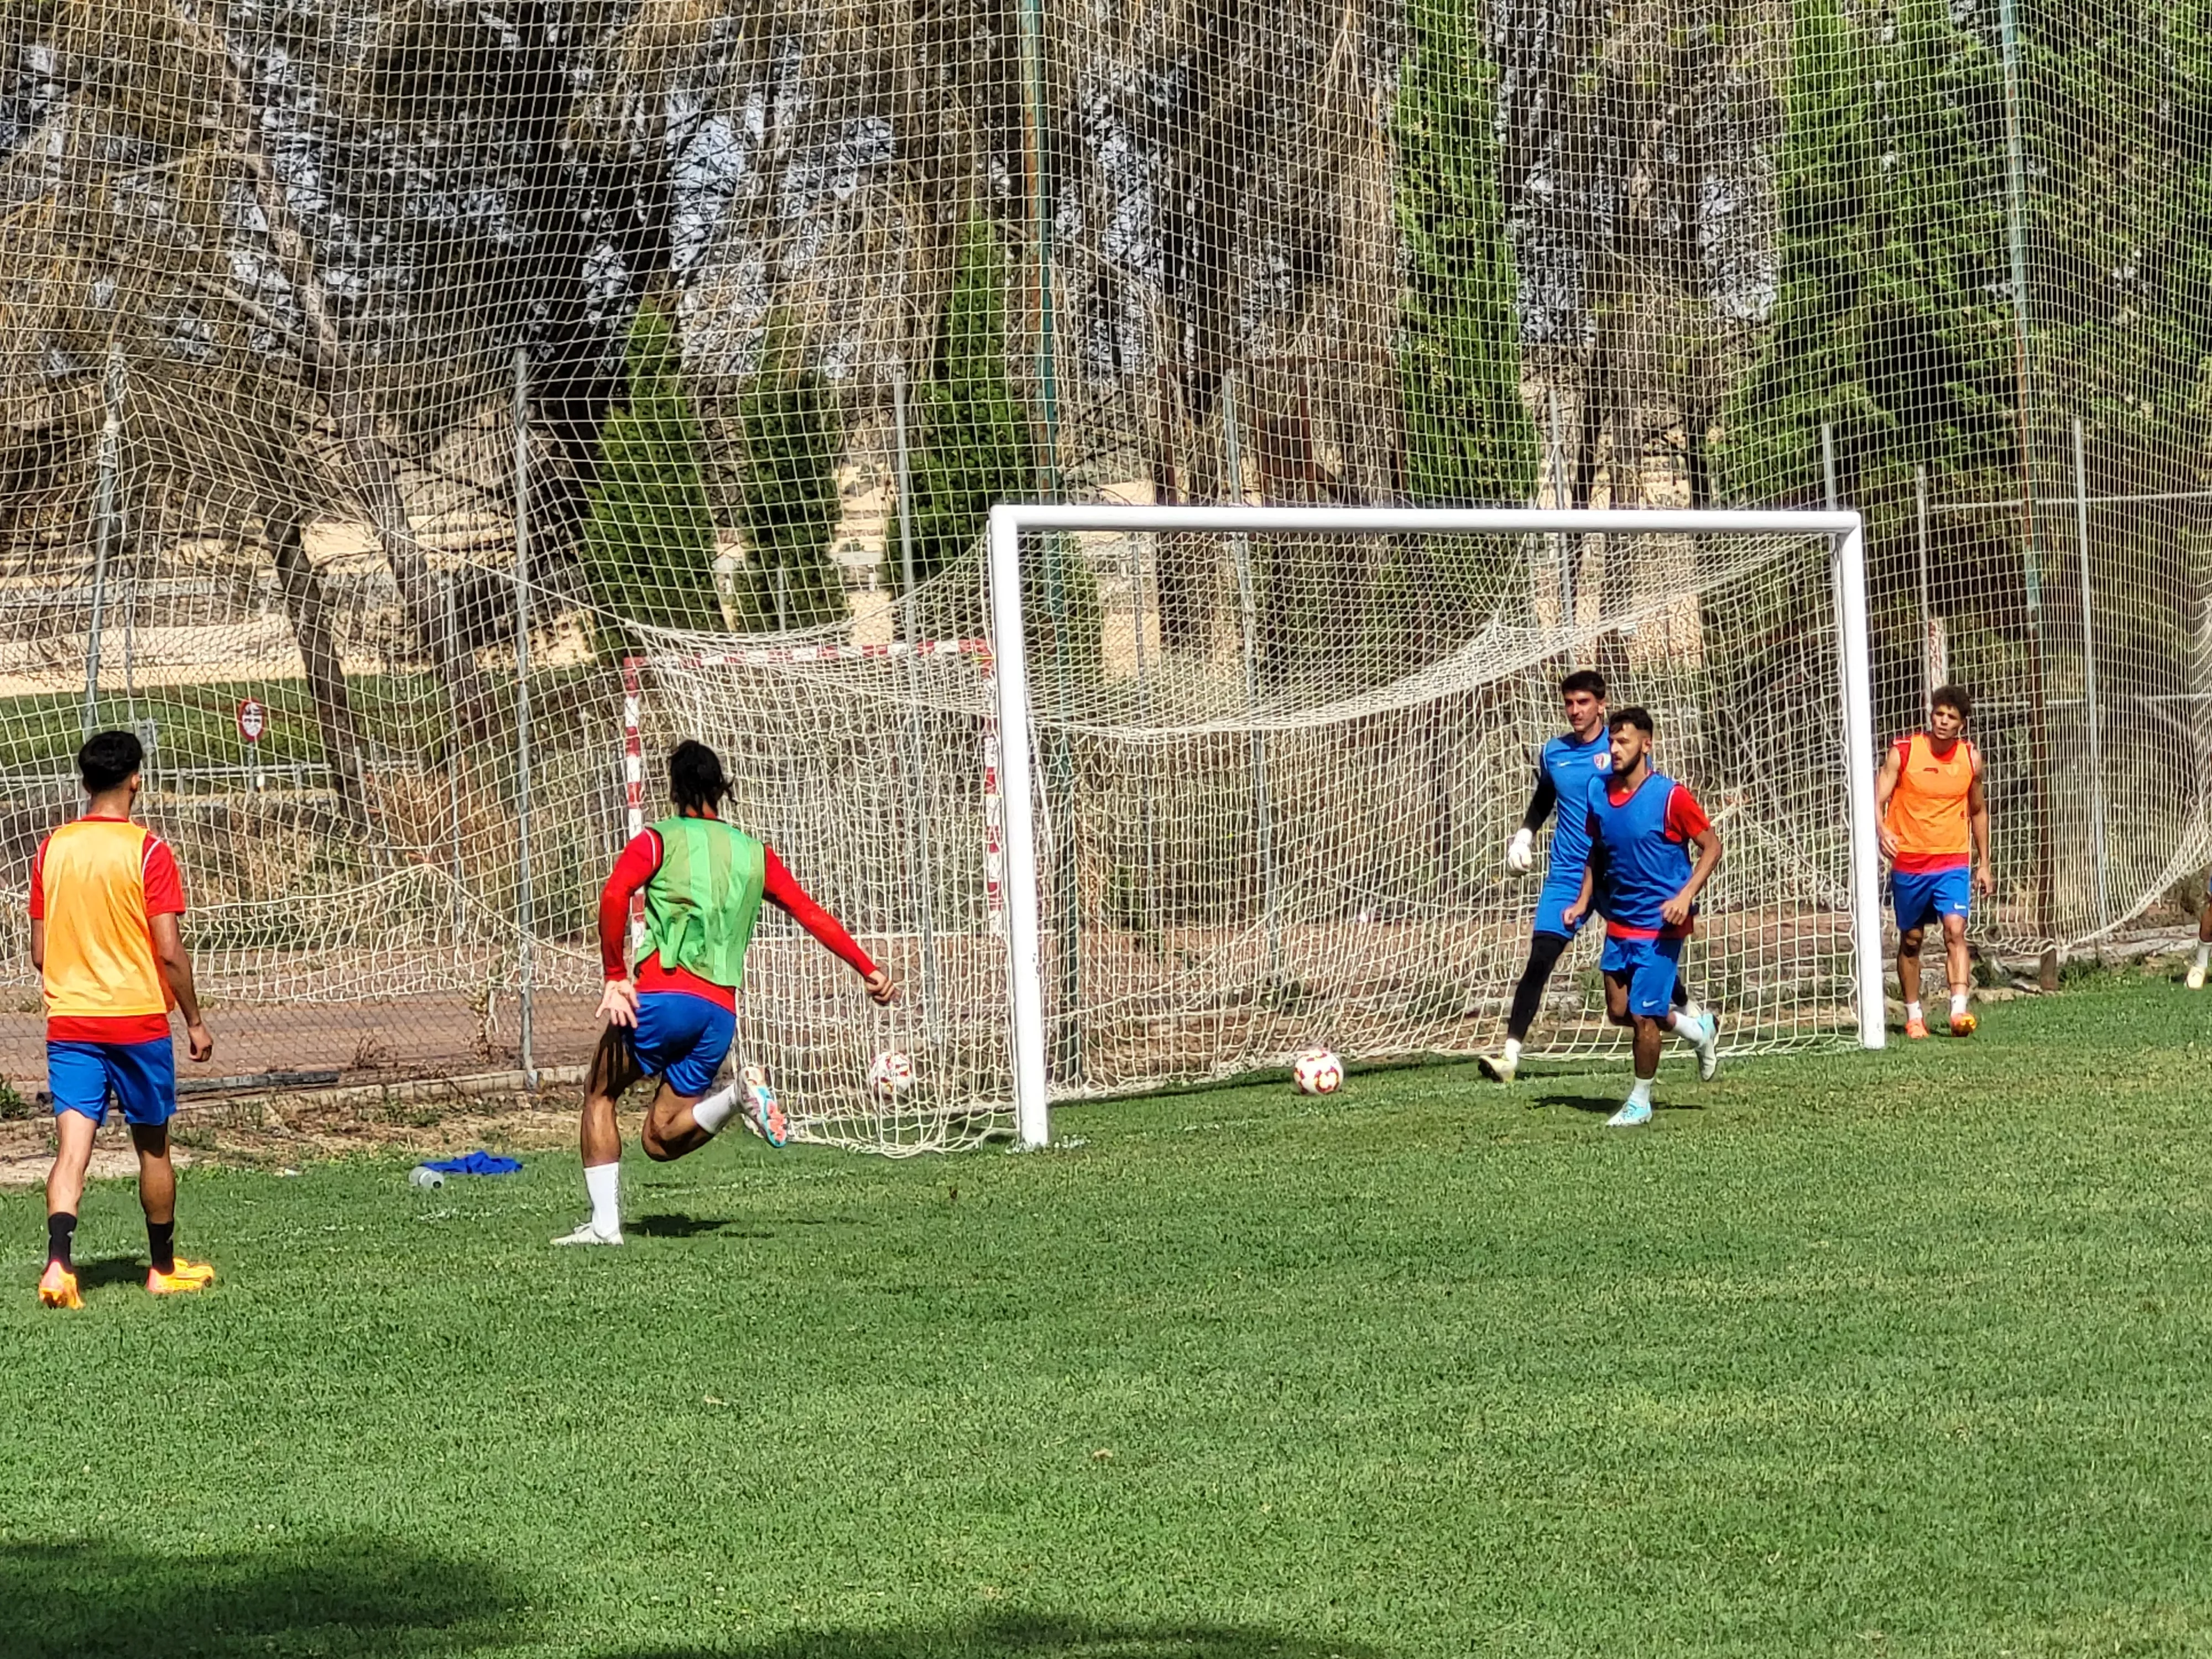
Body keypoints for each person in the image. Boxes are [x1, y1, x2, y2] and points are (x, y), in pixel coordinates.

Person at [557, 740, 895, 1246]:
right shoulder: (755, 853)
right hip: (719, 1016)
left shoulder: (658, 839)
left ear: (673, 790)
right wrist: (867, 968)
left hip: (663, 999)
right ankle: (737, 1096)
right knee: (659, 1139)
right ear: (722, 789)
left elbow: (613, 893)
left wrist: (614, 973)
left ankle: (605, 1228)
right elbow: (809, 913)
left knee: (600, 1093)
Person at [33, 729, 217, 1308]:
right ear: (137, 778)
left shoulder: (51, 848)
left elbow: (40, 953)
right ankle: (162, 1267)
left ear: (85, 781)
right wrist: (193, 1020)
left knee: (71, 1151)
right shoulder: (148, 851)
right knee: (153, 1148)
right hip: (135, 1021)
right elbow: (168, 949)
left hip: (71, 1022)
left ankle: (60, 1265)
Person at [1479, 670, 1701, 1084]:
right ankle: (1509, 1056)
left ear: (1602, 704)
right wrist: (1524, 835)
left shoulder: (1621, 746)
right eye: (1569, 703)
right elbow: (1546, 795)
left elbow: (1643, 801)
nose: (1575, 711)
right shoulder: (1554, 752)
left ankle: (1691, 1019)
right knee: (1541, 957)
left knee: (1645, 964)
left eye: (1583, 702)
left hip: (1619, 876)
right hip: (1567, 874)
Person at [1561, 708, 1722, 1127]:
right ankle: (1697, 1030)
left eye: (1624, 742)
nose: (1614, 749)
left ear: (1646, 745)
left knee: (1643, 1017)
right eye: (1612, 742)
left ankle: (1640, 1101)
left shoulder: (1672, 797)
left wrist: (1685, 896)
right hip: (1621, 921)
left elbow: (1712, 847)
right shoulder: (1599, 791)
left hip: (1662, 924)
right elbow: (1596, 851)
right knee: (1620, 1011)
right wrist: (1583, 902)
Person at [1874, 685, 1993, 1039]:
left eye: (1951, 717)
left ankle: (1959, 1012)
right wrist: (1881, 830)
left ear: (1962, 724)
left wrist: (1984, 863)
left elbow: (1978, 810)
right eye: (1938, 714)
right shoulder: (1905, 752)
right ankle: (1914, 1016)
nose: (1942, 721)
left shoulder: (1970, 759)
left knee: (1956, 930)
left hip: (1952, 861)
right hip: (1910, 862)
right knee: (1911, 939)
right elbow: (1875, 798)